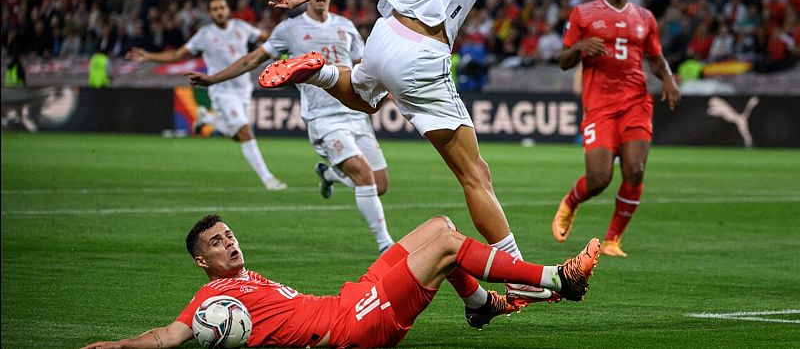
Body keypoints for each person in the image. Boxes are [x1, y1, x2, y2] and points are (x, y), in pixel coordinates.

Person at [257, 0, 551, 304]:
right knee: (475, 175)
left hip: (384, 35)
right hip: (422, 50)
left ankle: (321, 72)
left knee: (364, 98)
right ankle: (519, 274)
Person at [80, 213, 600, 349]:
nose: (230, 244)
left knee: (440, 226)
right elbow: (171, 335)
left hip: (348, 300)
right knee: (444, 249)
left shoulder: (244, 281)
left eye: (229, 235)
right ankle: (557, 278)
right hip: (352, 327)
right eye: (216, 243)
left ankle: (479, 305)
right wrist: (119, 344)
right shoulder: (211, 301)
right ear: (202, 263)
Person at [186, 0, 394, 253]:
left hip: (356, 114)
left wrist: (390, 90)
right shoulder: (289, 29)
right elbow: (252, 60)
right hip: (323, 117)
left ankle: (331, 174)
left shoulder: (346, 27)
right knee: (363, 175)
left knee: (380, 184)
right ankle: (386, 246)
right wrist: (213, 78)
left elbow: (363, 66)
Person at [552, 0, 681, 257]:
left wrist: (669, 79)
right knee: (599, 179)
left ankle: (612, 240)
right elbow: (562, 61)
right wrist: (581, 47)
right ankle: (571, 202)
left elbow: (655, 57)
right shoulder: (583, 14)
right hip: (599, 106)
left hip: (636, 102)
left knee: (635, 171)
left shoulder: (645, 18)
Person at [127, 0, 287, 191]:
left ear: (228, 10)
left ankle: (207, 119)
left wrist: (285, 41)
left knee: (237, 136)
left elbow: (266, 37)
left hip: (243, 88)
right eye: (215, 9)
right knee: (245, 132)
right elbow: (178, 54)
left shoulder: (241, 27)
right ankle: (268, 179)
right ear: (210, 14)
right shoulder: (204, 34)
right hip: (222, 90)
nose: (219, 11)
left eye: (222, 7)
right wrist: (149, 56)